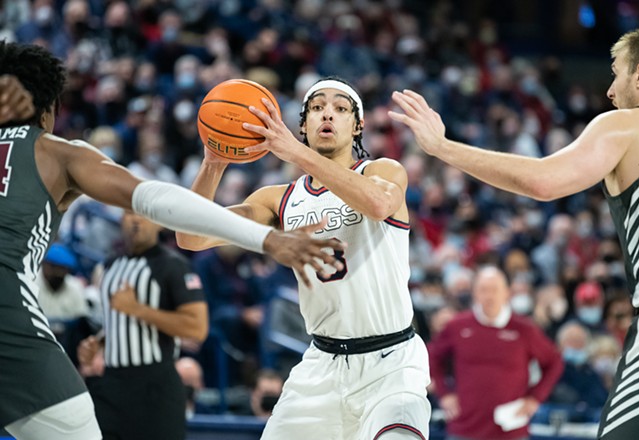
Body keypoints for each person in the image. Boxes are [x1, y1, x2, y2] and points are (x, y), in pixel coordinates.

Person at [0, 41, 342, 440]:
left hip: (146, 383)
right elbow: (156, 198)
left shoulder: (156, 267)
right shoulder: (53, 152)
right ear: (49, 110)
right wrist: (267, 239)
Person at [389, 24, 639, 440]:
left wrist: (443, 147)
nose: (609, 90)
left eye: (617, 72)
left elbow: (543, 182)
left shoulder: (629, 125)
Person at [177, 76, 432, 439]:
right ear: (303, 124)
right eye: (317, 107)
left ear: (357, 125)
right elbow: (191, 236)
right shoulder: (278, 199)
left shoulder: (382, 171)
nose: (327, 114)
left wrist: (294, 152)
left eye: (340, 108)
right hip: (320, 367)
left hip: (390, 363)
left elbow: (378, 204)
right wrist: (214, 165)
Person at [77, 210, 208, 440]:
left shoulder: (174, 266)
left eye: (145, 214)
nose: (136, 219)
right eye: (130, 212)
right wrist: (97, 345)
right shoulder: (110, 265)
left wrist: (138, 309)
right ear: (120, 220)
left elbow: (197, 328)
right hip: (110, 384)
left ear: (159, 223)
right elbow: (118, 322)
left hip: (155, 388)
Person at [427, 266, 563, 440]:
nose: (489, 295)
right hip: (464, 428)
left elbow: (554, 361)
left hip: (511, 429)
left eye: (494, 289)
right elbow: (433, 356)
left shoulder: (524, 329)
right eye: (483, 290)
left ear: (506, 293)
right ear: (474, 293)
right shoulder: (457, 326)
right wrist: (444, 393)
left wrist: (535, 398)